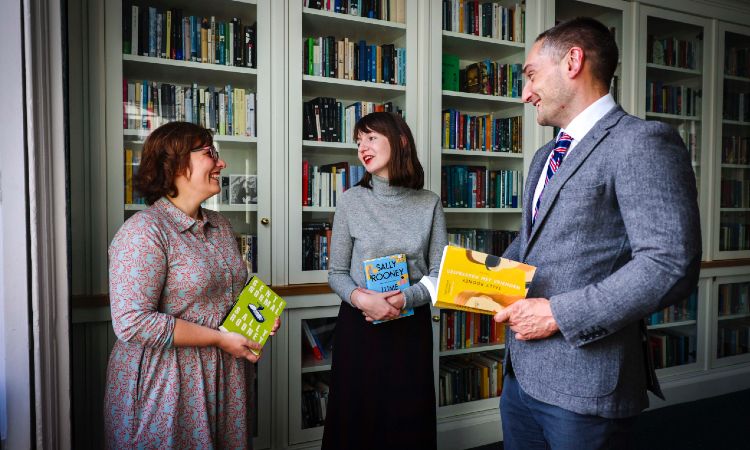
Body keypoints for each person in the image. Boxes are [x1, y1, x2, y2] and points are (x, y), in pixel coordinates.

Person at [492, 17, 701, 450]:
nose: (525, 93)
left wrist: (557, 315)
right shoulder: (544, 157)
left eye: (531, 75)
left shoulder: (641, 142)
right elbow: (531, 244)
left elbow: (669, 264)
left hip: (587, 386)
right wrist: (460, 277)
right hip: (520, 376)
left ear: (573, 61)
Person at [104, 121, 280, 448]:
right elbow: (131, 322)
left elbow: (233, 292)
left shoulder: (221, 226)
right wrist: (218, 339)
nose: (221, 163)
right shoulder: (144, 232)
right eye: (209, 153)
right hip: (168, 382)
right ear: (174, 164)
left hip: (226, 374)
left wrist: (260, 316)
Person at [323, 112, 447, 449]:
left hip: (409, 327)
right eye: (358, 141)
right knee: (355, 422)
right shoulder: (351, 201)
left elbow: (438, 274)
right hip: (360, 323)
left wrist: (403, 300)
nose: (362, 146)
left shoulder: (429, 203)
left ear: (401, 140)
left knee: (406, 423)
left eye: (371, 137)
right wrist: (363, 300)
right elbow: (336, 274)